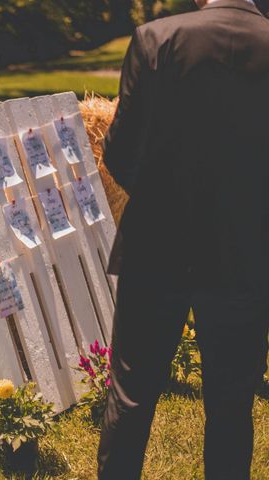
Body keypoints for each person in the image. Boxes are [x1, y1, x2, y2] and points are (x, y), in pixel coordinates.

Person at [98, 1, 269, 479]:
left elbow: (119, 151)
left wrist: (162, 198)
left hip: (157, 242)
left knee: (131, 395)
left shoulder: (156, 39)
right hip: (247, 249)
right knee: (232, 403)